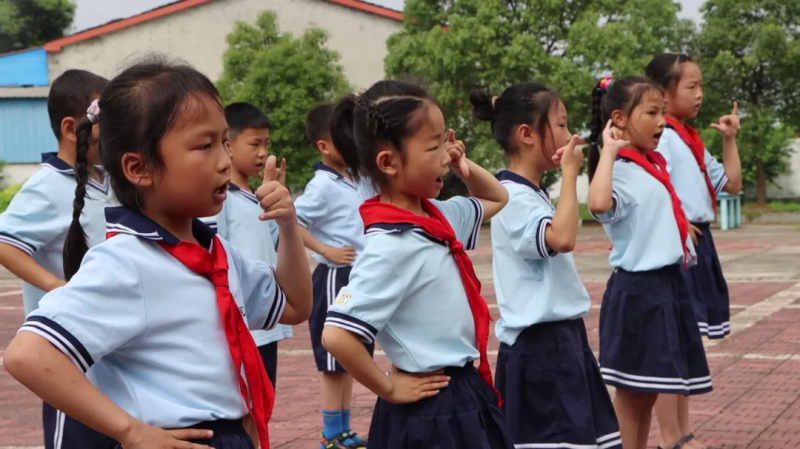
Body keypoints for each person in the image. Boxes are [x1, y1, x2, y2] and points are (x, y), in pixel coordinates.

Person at [2, 57, 312, 449]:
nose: (224, 161)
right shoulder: (126, 263)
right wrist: (131, 431)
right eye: (204, 146)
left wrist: (287, 226)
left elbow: (294, 305)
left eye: (224, 142)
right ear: (139, 168)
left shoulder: (216, 255)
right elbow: (27, 355)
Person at [321, 80, 514, 449]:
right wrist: (388, 387)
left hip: (463, 389)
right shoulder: (390, 246)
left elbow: (497, 197)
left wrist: (461, 165)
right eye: (433, 146)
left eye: (445, 142)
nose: (445, 155)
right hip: (430, 408)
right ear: (388, 162)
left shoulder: (436, 217)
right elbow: (337, 334)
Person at [471, 83, 621, 449]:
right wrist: (570, 174)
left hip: (557, 341)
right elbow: (561, 238)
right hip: (541, 347)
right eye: (562, 125)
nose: (570, 136)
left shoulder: (527, 192)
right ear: (527, 134)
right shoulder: (513, 196)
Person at [587, 76, 712, 449]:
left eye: (662, 112)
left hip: (666, 287)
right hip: (640, 292)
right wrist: (608, 152)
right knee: (632, 394)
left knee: (648, 391)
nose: (661, 122)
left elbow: (651, 212)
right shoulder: (620, 169)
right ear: (619, 119)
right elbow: (598, 204)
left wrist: (678, 227)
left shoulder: (648, 164)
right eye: (652, 113)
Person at [0, 69, 117, 449]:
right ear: (71, 128)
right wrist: (57, 286)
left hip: (111, 346)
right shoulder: (47, 186)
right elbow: (4, 243)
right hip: (70, 354)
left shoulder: (108, 180)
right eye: (106, 121)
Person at [646, 53, 741, 449]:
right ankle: (671, 436)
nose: (700, 93)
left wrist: (729, 139)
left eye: (701, 85)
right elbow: (655, 184)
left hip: (699, 241)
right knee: (672, 342)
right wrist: (678, 220)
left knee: (686, 339)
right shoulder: (663, 138)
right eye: (691, 86)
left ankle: (681, 433)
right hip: (679, 245)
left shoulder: (689, 138)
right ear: (663, 93)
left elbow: (731, 184)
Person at [294, 102, 373, 449]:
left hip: (358, 277)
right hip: (334, 278)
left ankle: (344, 429)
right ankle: (330, 434)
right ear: (324, 146)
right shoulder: (322, 185)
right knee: (332, 361)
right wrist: (325, 250)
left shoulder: (355, 178)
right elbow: (293, 222)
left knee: (350, 357)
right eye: (345, 137)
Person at [205, 102, 293, 388]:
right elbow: (212, 253)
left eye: (266, 143)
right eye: (255, 144)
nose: (263, 152)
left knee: (265, 399)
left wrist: (280, 203)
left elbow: (276, 241)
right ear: (228, 146)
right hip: (240, 322)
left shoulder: (255, 197)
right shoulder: (223, 199)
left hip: (264, 315)